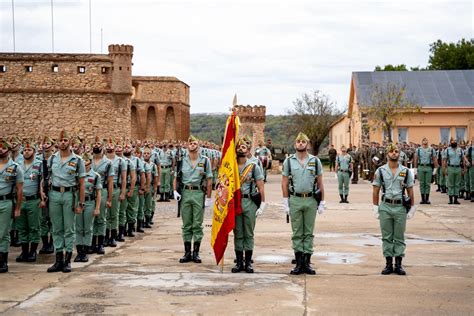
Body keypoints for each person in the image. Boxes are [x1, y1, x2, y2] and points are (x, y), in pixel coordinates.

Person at [282, 132, 325, 275]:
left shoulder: (315, 161)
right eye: (298, 141)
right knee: (297, 233)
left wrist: (322, 202)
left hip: (311, 199)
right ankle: (298, 263)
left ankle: (307, 262)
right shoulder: (289, 161)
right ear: (295, 144)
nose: (300, 143)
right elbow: (284, 182)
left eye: (303, 141)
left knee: (308, 232)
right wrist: (285, 201)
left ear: (308, 144)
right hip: (295, 199)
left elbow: (320, 182)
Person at [372, 143, 415, 275]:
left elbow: (410, 190)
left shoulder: (406, 171)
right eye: (391, 151)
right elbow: (376, 190)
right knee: (387, 236)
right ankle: (388, 264)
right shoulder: (380, 171)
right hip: (385, 206)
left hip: (400, 206)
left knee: (399, 236)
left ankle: (399, 264)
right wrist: (375, 207)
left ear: (400, 154)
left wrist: (412, 207)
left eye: (396, 151)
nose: (394, 153)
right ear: (387, 154)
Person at [47, 130, 86, 273]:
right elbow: (46, 178)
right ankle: (58, 260)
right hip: (54, 194)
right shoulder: (52, 159)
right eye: (60, 140)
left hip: (70, 195)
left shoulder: (78, 160)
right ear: (57, 142)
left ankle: (67, 260)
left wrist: (81, 203)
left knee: (69, 228)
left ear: (70, 142)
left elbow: (82, 183)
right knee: (56, 228)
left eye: (65, 140)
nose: (62, 143)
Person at [173, 136, 213, 264]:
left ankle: (196, 253)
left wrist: (208, 197)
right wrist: (174, 191)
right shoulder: (181, 161)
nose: (192, 145)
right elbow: (176, 177)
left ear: (198, 146)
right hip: (185, 193)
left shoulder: (205, 161)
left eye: (195, 143)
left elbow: (209, 180)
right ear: (187, 146)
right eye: (190, 143)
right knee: (186, 224)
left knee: (197, 224)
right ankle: (187, 253)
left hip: (198, 193)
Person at [232, 138, 266, 273]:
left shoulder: (254, 166)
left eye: (244, 147)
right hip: (235, 202)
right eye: (239, 147)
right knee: (237, 233)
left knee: (249, 233)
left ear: (248, 151)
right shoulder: (231, 166)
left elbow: (261, 186)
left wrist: (263, 203)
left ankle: (248, 262)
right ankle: (239, 262)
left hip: (249, 202)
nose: (241, 149)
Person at [16, 138, 45, 263]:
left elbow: (42, 182)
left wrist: (42, 198)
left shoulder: (39, 164)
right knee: (22, 227)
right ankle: (24, 251)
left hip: (34, 200)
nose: (27, 152)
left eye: (29, 150)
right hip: (21, 200)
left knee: (34, 227)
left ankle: (33, 251)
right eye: (25, 150)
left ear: (34, 151)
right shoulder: (17, 164)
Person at [0, 138, 24, 273]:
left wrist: (18, 208)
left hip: (6, 202)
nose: (0, 150)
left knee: (3, 232)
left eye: (3, 148)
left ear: (9, 150)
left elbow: (19, 189)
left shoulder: (15, 167)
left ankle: (3, 260)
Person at [74, 152, 101, 262]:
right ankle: (79, 251)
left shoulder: (95, 176)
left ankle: (85, 251)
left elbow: (98, 193)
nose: (84, 164)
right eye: (83, 162)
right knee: (78, 228)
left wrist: (97, 208)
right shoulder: (76, 176)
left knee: (88, 228)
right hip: (78, 202)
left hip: (89, 202)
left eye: (86, 162)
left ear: (90, 163)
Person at [90, 137, 114, 254]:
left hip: (102, 191)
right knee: (91, 218)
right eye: (94, 143)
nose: (96, 145)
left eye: (98, 143)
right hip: (89, 192)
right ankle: (92, 242)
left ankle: (100, 243)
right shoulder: (88, 160)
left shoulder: (108, 163)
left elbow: (110, 182)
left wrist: (109, 199)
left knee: (101, 218)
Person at [413, 137, 438, 204]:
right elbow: (416, 159)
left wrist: (435, 168)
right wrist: (415, 169)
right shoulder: (418, 149)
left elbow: (434, 159)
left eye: (426, 140)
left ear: (428, 141)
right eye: (423, 140)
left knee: (427, 184)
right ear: (422, 142)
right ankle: (422, 199)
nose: (425, 141)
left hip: (428, 167)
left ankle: (427, 199)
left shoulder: (431, 149)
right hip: (421, 166)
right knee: (421, 183)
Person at [442, 139, 464, 204]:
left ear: (456, 143)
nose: (453, 142)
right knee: (450, 184)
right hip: (450, 168)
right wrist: (444, 169)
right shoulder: (447, 150)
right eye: (452, 142)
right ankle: (450, 200)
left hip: (458, 168)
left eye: (455, 141)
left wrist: (464, 168)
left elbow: (463, 159)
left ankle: (456, 200)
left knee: (457, 184)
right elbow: (444, 160)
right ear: (450, 143)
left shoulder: (460, 150)